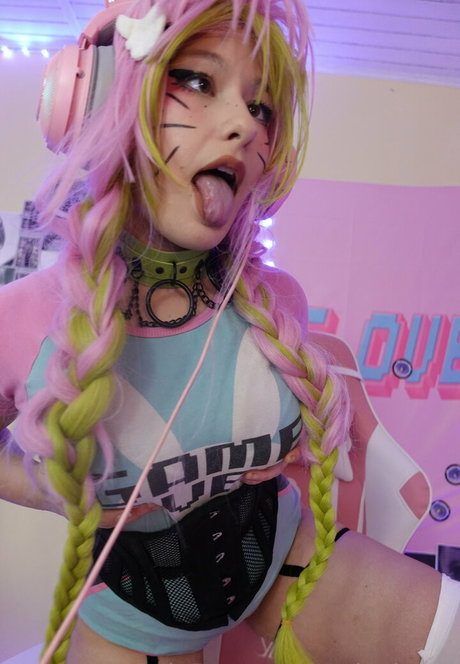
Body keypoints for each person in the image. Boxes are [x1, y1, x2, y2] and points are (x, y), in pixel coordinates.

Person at [0, 1, 459, 663]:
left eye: (261, 107)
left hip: (289, 562)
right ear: (98, 103)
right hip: (136, 620)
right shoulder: (20, 319)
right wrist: (47, 490)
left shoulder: (279, 302)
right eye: (196, 80)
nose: (244, 125)